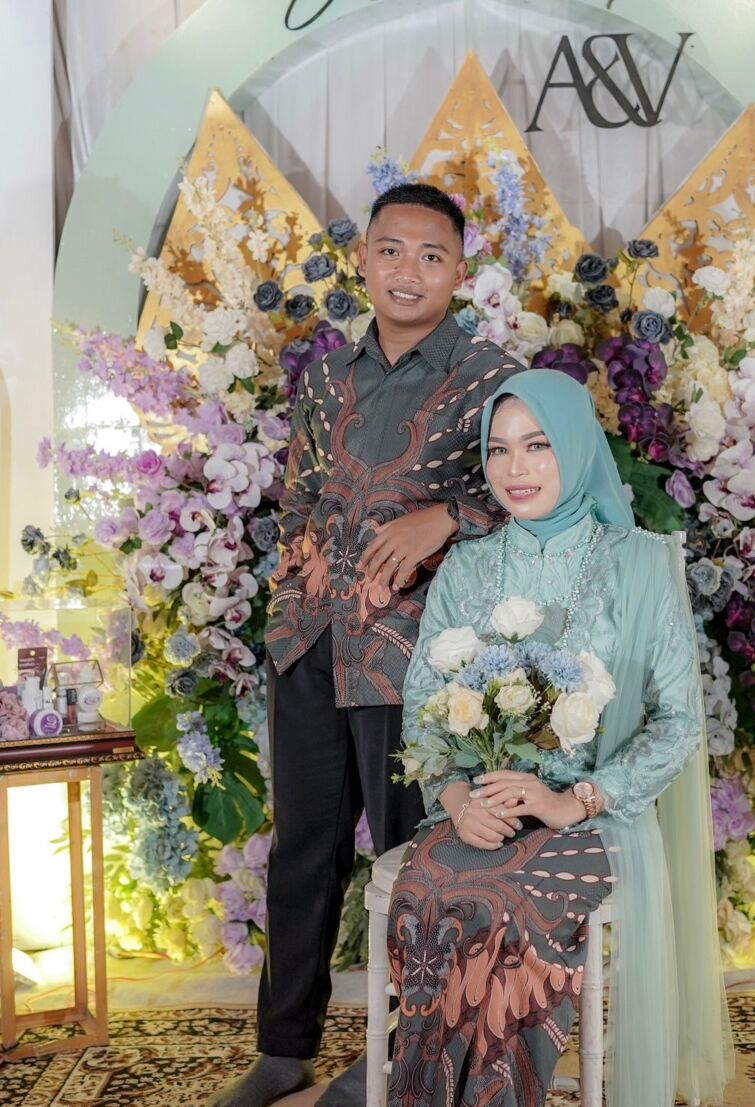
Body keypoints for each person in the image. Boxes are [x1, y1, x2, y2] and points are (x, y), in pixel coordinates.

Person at [208, 183, 524, 1107]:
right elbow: (300, 487)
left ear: (460, 271)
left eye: (431, 255)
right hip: (311, 640)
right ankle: (284, 1047)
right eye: (392, 250)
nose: (408, 271)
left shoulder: (491, 377)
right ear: (363, 259)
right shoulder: (325, 377)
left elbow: (532, 491)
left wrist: (444, 517)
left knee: (412, 856)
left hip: (415, 653)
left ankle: (402, 1052)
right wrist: (298, 554)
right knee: (304, 847)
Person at [385, 370, 734, 1107]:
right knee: (427, 898)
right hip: (480, 810)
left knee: (500, 904)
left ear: (574, 448)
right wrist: (455, 799)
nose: (515, 468)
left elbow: (677, 721)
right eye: (499, 449)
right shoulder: (466, 566)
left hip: (590, 818)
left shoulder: (639, 562)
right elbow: (421, 705)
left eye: (537, 445)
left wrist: (574, 799)